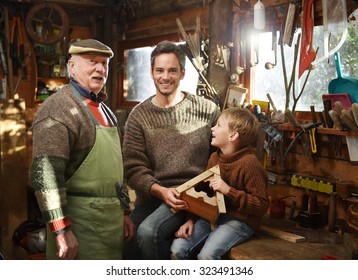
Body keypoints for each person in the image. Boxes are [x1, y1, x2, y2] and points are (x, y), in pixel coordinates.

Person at [29, 39, 135, 260]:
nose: (100, 69)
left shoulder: (106, 111)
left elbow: (117, 169)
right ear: (72, 66)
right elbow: (46, 176)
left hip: (109, 224)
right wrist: (61, 229)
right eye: (92, 61)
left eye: (104, 63)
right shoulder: (58, 109)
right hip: (79, 227)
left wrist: (123, 210)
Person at [122, 40, 220, 259]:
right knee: (126, 239)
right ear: (151, 72)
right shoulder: (138, 116)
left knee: (148, 233)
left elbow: (219, 159)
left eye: (172, 70)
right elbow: (133, 167)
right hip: (154, 198)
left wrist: (198, 207)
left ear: (183, 73)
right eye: (160, 70)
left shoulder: (207, 110)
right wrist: (160, 190)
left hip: (194, 198)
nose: (165, 77)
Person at [171, 107, 269, 260]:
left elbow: (261, 205)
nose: (212, 128)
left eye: (218, 125)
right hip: (212, 217)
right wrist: (190, 220)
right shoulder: (214, 158)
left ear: (233, 135)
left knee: (207, 256)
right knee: (178, 249)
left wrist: (228, 191)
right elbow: (201, 192)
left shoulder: (249, 164)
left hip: (239, 221)